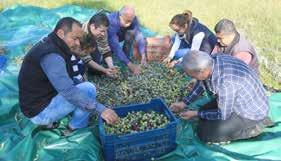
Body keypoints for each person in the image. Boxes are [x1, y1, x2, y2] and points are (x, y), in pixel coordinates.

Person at [18, 17, 118, 131]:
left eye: (79, 39)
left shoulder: (52, 43)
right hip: (39, 112)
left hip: (35, 104)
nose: (77, 43)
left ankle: (51, 121)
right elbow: (68, 91)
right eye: (74, 38)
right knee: (88, 89)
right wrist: (101, 109)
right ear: (61, 33)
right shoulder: (52, 56)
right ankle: (74, 127)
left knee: (81, 90)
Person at [170, 50, 271, 144]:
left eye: (192, 76)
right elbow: (201, 82)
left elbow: (223, 114)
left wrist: (196, 113)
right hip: (239, 98)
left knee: (205, 134)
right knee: (203, 112)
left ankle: (251, 130)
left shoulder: (225, 83)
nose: (192, 78)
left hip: (249, 113)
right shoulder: (213, 60)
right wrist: (184, 103)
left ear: (202, 71)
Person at [107, 5, 146, 75]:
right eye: (126, 21)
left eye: (131, 21)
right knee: (110, 49)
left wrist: (143, 55)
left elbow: (139, 35)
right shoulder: (111, 21)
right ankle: (110, 58)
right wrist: (131, 66)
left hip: (122, 34)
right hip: (109, 38)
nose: (129, 24)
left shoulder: (133, 19)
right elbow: (115, 46)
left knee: (131, 33)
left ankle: (126, 57)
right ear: (120, 16)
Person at [82, 13, 118, 77]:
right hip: (79, 53)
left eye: (105, 31)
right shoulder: (82, 34)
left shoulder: (102, 30)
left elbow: (105, 48)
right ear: (93, 26)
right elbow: (86, 58)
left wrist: (111, 66)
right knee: (83, 66)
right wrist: (104, 70)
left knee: (97, 64)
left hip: (91, 46)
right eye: (101, 31)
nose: (103, 34)